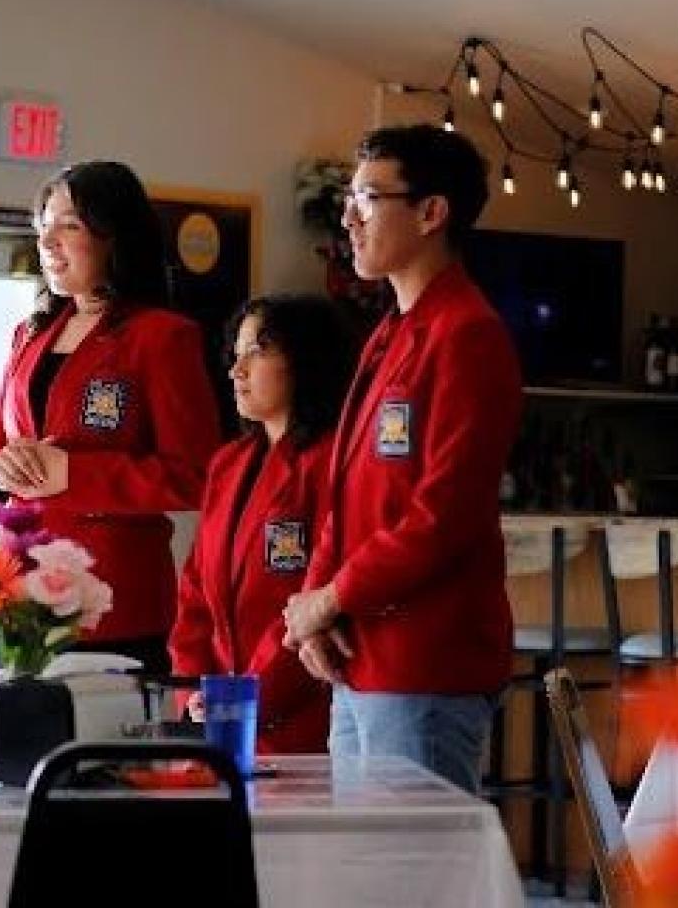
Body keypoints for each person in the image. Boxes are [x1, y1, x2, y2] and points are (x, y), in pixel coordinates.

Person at [282, 124, 523, 794]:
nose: (349, 217)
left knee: (414, 877)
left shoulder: (468, 336)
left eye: (367, 197)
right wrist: (319, 611)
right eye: (347, 200)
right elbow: (344, 495)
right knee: (358, 870)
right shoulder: (390, 331)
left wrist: (332, 596)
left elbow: (443, 516)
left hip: (425, 660)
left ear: (430, 212)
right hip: (358, 655)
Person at [0, 161, 221, 674]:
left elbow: (195, 474)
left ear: (114, 236)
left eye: (69, 226)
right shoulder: (29, 334)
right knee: (27, 750)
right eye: (42, 227)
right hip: (24, 596)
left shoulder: (161, 336)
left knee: (104, 751)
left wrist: (72, 474)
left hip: (114, 603)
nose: (48, 242)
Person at [169, 295, 356, 753]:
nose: (237, 371)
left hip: (304, 720)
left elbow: (317, 594)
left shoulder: (333, 461)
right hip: (220, 718)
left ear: (304, 361)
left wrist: (248, 699)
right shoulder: (227, 463)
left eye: (258, 352)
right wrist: (194, 689)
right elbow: (195, 593)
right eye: (236, 355)